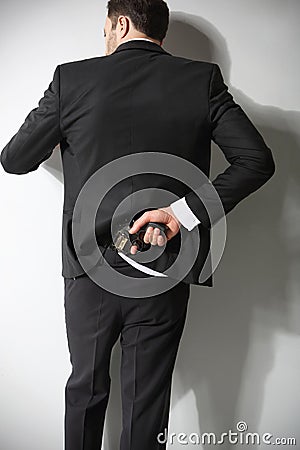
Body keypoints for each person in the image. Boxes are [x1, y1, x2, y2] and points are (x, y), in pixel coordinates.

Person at [0, 0, 275, 449]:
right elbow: (256, 161)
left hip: (89, 265)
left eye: (105, 28)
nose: (104, 37)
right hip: (163, 265)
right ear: (160, 31)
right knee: (147, 404)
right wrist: (178, 214)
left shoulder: (73, 79)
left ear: (120, 23)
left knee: (84, 393)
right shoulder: (200, 81)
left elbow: (14, 159)